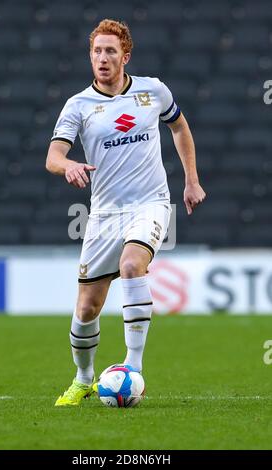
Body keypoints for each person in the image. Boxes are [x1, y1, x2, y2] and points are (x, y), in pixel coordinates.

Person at [46, 19, 206, 406]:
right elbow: (53, 155)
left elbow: (180, 128)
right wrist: (67, 165)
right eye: (97, 51)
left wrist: (191, 180)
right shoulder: (78, 105)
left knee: (134, 265)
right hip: (103, 214)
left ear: (125, 56)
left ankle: (132, 367)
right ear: (90, 56)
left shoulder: (153, 90)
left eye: (110, 51)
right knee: (87, 307)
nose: (102, 58)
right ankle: (84, 378)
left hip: (149, 202)